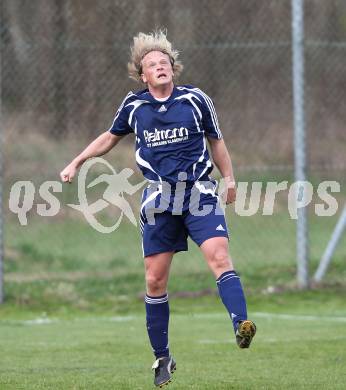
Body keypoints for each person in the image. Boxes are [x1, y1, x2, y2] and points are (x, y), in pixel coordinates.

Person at [60, 30, 256, 388]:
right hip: (159, 200)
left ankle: (241, 324)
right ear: (142, 75)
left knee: (219, 257)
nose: (160, 67)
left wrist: (229, 178)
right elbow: (108, 137)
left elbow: (217, 142)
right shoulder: (134, 106)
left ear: (173, 69)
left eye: (164, 63)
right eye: (152, 64)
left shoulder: (196, 100)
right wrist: (77, 161)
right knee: (155, 280)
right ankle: (162, 358)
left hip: (198, 192)